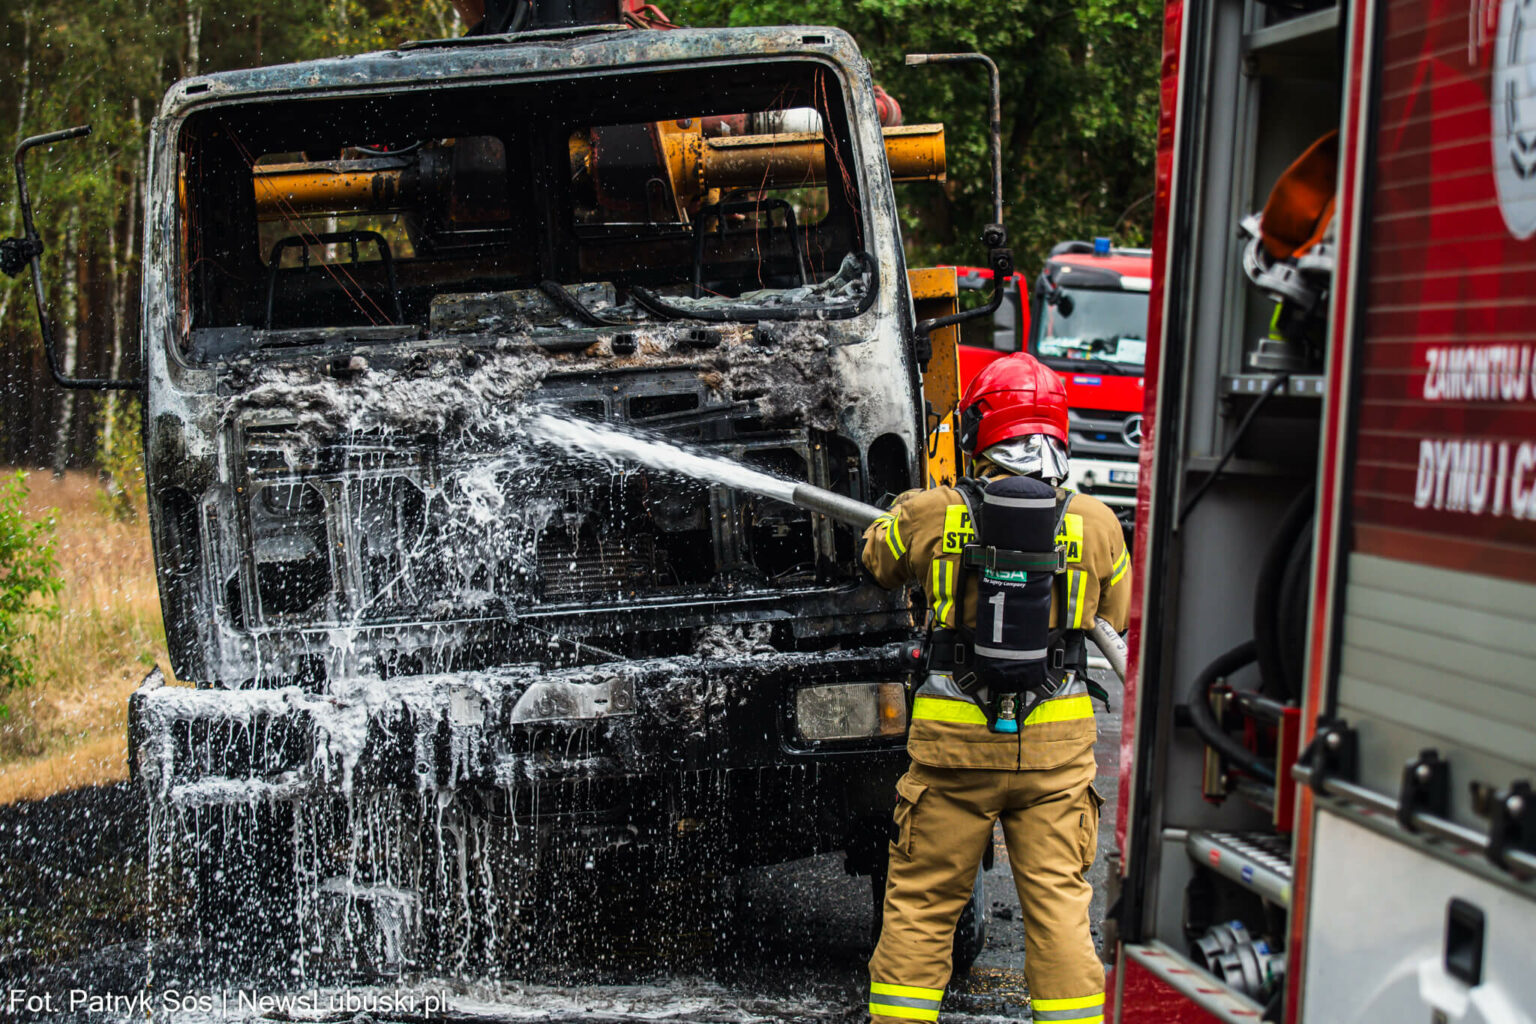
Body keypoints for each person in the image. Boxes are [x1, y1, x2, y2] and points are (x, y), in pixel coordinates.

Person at [861, 352, 1131, 1024]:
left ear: (979, 429)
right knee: (1060, 910)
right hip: (1055, 753)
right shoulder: (1097, 523)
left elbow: (876, 561)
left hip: (953, 750)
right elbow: (1119, 616)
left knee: (922, 906)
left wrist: (901, 521)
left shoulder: (931, 512)